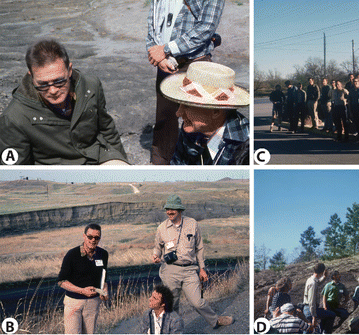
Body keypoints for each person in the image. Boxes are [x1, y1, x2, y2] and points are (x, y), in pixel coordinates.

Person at [0, 39, 128, 165]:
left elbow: (108, 130)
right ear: (31, 76)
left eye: (59, 81)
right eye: (43, 84)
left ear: (69, 70)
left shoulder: (90, 87)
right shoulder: (14, 117)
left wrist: (123, 162)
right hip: (55, 172)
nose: (53, 90)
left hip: (99, 157)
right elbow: (16, 173)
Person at [146, 0, 224, 164]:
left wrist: (166, 49)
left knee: (200, 121)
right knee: (164, 117)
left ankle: (203, 163)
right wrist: (157, 53)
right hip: (165, 62)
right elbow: (152, 24)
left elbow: (206, 27)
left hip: (196, 63)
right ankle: (161, 162)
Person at [152, 195, 232, 328]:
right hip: (170, 270)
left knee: (197, 302)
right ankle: (173, 330)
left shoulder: (192, 224)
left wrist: (202, 268)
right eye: (167, 209)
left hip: (190, 270)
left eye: (173, 209)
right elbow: (157, 247)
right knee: (172, 304)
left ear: (180, 210)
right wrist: (155, 255)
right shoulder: (161, 228)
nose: (169, 212)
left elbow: (199, 248)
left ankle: (215, 320)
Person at [160, 61, 249, 165]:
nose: (179, 113)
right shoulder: (192, 129)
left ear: (216, 111)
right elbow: (177, 164)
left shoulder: (246, 144)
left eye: (187, 106)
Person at [57, 224, 109, 334]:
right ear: (84, 236)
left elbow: (103, 278)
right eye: (90, 237)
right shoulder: (72, 254)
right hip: (74, 303)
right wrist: (81, 291)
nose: (93, 240)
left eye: (97, 237)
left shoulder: (103, 254)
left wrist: (105, 291)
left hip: (93, 303)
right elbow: (61, 281)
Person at [302, 263, 336, 333]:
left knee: (309, 330)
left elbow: (318, 283)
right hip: (310, 310)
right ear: (322, 271)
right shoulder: (313, 283)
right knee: (331, 315)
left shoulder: (310, 279)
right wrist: (314, 316)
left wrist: (324, 277)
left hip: (308, 309)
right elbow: (312, 301)